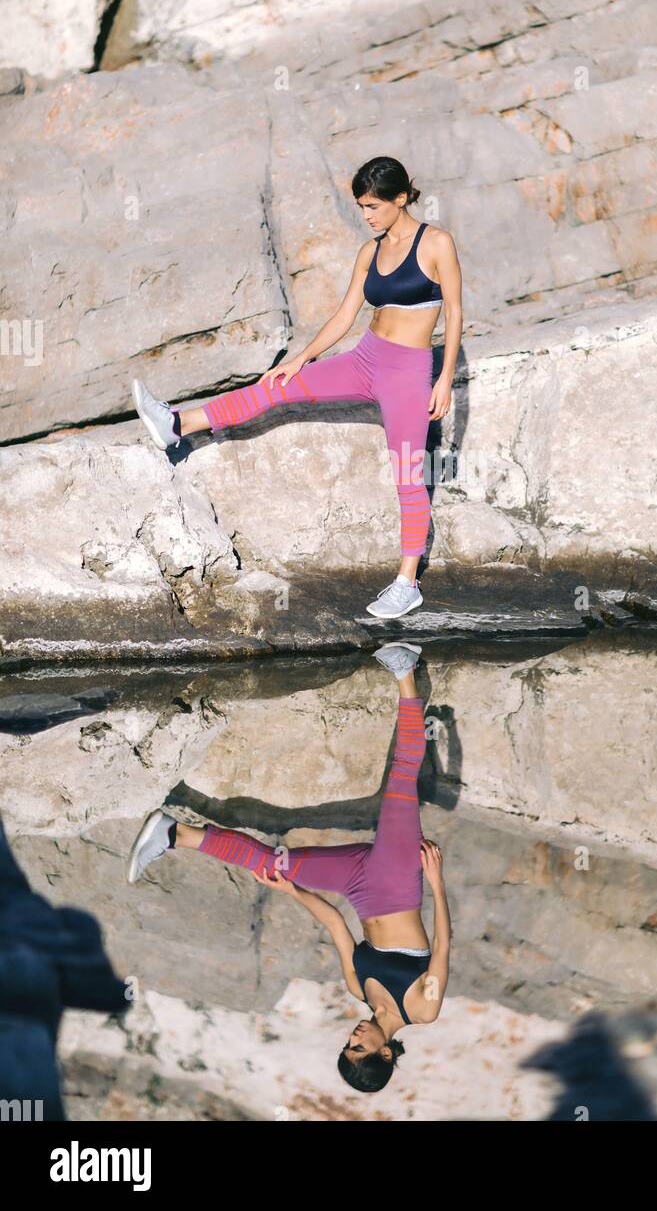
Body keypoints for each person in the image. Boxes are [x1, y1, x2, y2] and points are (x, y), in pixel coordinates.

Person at [131, 157, 464, 620]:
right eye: (360, 207)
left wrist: (443, 377)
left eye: (372, 206)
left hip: (408, 372)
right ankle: (177, 424)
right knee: (278, 387)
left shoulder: (437, 243)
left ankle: (407, 583)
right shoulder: (370, 252)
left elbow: (455, 313)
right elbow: (346, 315)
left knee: (408, 474)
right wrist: (299, 359)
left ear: (401, 198)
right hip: (365, 358)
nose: (365, 215)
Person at [126, 641, 452, 1092]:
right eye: (358, 1048)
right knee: (402, 776)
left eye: (344, 1046)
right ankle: (405, 670)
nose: (351, 1039)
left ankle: (173, 834)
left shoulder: (358, 991)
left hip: (358, 886)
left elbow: (338, 926)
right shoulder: (424, 1009)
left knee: (272, 865)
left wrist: (295, 892)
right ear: (383, 1053)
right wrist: (435, 883)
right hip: (399, 884)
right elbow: (442, 947)